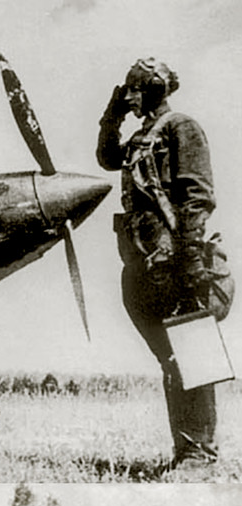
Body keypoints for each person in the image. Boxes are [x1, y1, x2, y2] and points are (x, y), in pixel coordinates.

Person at [97, 58, 233, 470]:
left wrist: (191, 262)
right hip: (145, 262)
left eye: (135, 90)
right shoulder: (142, 137)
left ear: (154, 89)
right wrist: (111, 117)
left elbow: (197, 197)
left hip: (177, 263)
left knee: (191, 355)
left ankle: (198, 456)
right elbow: (107, 158)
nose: (131, 97)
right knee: (172, 361)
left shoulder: (180, 126)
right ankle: (188, 452)